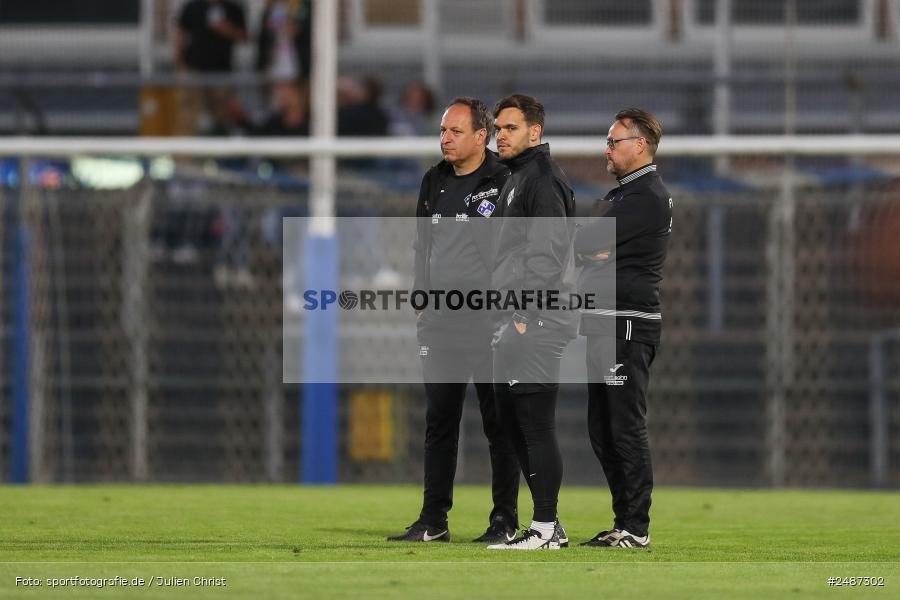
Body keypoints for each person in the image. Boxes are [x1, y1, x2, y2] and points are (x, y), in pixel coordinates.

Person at [387, 98, 520, 544]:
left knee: (498, 424)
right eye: (443, 131)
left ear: (482, 137)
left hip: (489, 321)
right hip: (442, 321)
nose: (445, 138)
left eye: (455, 131)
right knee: (439, 422)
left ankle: (504, 521)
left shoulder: (505, 180)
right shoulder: (434, 180)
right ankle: (433, 521)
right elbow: (422, 243)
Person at [574, 108, 672, 549]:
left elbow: (585, 243)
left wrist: (594, 247)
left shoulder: (645, 196)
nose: (606, 150)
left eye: (614, 141)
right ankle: (624, 521)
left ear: (640, 145)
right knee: (603, 428)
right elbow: (588, 247)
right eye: (608, 141)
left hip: (626, 323)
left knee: (624, 426)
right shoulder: (626, 195)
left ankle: (636, 527)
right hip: (607, 320)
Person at [486, 94, 577, 551]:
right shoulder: (517, 177)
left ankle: (545, 526)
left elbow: (548, 252)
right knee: (510, 419)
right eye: (498, 128)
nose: (500, 135)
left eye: (510, 128)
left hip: (538, 315)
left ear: (535, 132)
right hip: (516, 314)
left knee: (534, 421)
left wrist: (523, 313)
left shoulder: (541, 179)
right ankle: (549, 525)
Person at [174, 0, 248, 135]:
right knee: (187, 116)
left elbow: (244, 36)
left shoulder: (233, 9)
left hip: (221, 73)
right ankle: (183, 154)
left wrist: (226, 29)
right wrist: (180, 66)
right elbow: (179, 34)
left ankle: (221, 154)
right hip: (194, 71)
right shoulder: (192, 7)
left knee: (222, 116)